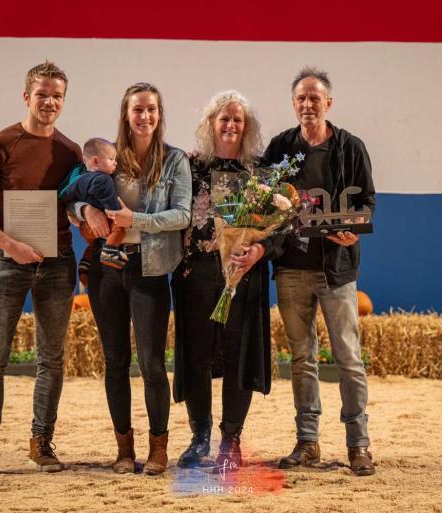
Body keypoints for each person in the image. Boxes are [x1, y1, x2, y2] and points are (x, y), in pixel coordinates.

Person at [0, 61, 81, 477]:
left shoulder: (71, 152)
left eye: (57, 96)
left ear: (64, 101)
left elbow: (76, 207)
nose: (49, 102)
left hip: (58, 264)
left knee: (52, 359)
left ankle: (41, 443)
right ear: (26, 96)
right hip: (7, 263)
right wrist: (10, 245)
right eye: (42, 94)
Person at [71, 83, 191, 476]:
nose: (145, 116)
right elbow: (71, 195)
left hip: (149, 268)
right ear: (126, 114)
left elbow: (182, 215)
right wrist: (86, 210)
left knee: (152, 363)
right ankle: (124, 448)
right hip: (106, 271)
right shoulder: (107, 157)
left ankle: (158, 448)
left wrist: (135, 220)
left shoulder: (174, 160)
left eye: (151, 109)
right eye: (138, 109)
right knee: (115, 360)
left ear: (159, 114)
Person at [263, 67, 377, 476]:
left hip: (337, 272)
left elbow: (367, 203)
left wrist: (353, 231)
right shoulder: (279, 148)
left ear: (328, 103)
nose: (308, 104)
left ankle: (358, 445)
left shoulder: (351, 148)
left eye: (315, 98)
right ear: (293, 104)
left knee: (349, 359)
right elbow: (262, 203)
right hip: (291, 269)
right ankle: (307, 441)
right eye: (301, 98)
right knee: (302, 358)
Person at [172, 91, 272, 471]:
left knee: (237, 356)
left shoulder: (260, 172)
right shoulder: (189, 165)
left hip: (242, 277)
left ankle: (231, 440)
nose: (231, 125)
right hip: (195, 274)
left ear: (246, 127)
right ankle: (200, 438)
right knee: (196, 355)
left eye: (237, 120)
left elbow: (280, 230)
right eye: (224, 119)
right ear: (211, 123)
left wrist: (259, 250)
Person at [59, 137, 128, 278]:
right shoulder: (103, 179)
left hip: (85, 227)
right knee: (120, 228)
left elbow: (66, 199)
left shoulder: (78, 174)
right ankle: (110, 252)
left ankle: (85, 262)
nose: (115, 163)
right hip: (102, 225)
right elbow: (111, 206)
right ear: (96, 161)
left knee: (93, 245)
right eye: (111, 159)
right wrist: (117, 213)